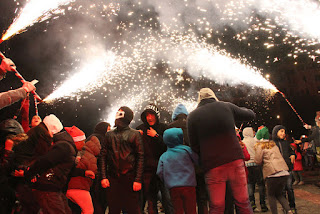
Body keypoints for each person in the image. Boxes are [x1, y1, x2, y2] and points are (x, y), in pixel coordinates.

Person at [187, 88, 255, 214]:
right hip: (234, 160)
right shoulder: (226, 106)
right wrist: (245, 108)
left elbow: (194, 146)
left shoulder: (192, 116)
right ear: (213, 96)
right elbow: (250, 115)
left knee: (217, 206)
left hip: (212, 165)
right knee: (243, 202)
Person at [15, 114, 78, 214]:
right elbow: (45, 160)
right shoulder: (47, 137)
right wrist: (29, 173)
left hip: (42, 183)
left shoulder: (39, 134)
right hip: (45, 185)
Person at [100, 106, 144, 214]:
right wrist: (104, 177)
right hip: (113, 177)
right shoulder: (109, 134)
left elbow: (140, 157)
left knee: (133, 209)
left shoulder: (135, 134)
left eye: (120, 114)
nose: (117, 116)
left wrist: (137, 179)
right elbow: (103, 156)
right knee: (114, 209)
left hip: (129, 177)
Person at [136, 103, 173, 214]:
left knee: (167, 199)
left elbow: (168, 146)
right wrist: (136, 137)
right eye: (147, 115)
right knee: (151, 200)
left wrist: (156, 136)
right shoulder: (140, 129)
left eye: (151, 115)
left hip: (163, 168)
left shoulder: (164, 128)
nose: (149, 118)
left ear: (157, 115)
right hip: (147, 170)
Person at [157, 128, 198, 214]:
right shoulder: (187, 150)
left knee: (177, 210)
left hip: (173, 188)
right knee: (191, 209)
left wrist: (167, 179)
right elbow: (197, 160)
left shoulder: (164, 156)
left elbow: (159, 172)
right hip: (189, 186)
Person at [254, 131, 293, 214]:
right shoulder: (274, 145)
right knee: (279, 194)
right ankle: (289, 211)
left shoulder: (260, 146)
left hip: (272, 173)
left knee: (271, 195)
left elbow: (257, 161)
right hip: (284, 172)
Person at [67, 134, 101, 214]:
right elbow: (93, 172)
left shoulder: (80, 153)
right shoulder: (91, 157)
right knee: (88, 210)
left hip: (70, 187)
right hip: (80, 187)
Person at [272, 125, 297, 213]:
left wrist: (293, 154)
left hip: (288, 169)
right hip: (278, 170)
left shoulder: (286, 143)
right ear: (276, 132)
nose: (283, 133)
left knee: (289, 188)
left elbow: (292, 151)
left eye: (284, 132)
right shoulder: (272, 143)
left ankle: (292, 206)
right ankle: (286, 207)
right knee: (282, 190)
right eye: (281, 131)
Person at [243, 127, 268, 212]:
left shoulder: (242, 142)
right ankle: (263, 204)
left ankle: (252, 204)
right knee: (261, 184)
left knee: (250, 184)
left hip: (247, 165)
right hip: (257, 164)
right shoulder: (255, 141)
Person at [87, 121, 110, 214]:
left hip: (91, 173)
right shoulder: (102, 139)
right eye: (108, 129)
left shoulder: (90, 137)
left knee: (94, 200)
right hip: (99, 174)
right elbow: (103, 157)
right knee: (100, 201)